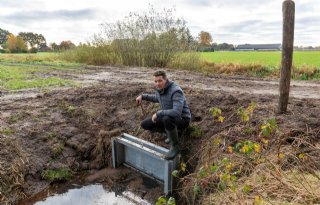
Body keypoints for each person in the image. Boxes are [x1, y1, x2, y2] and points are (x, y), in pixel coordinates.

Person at [136, 70, 191, 159]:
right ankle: (171, 134)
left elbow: (176, 112)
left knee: (166, 118)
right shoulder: (160, 89)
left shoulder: (176, 91)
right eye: (156, 81)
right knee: (145, 124)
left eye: (160, 81)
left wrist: (158, 113)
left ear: (166, 80)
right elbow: (157, 98)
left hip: (182, 119)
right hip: (168, 117)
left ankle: (175, 146)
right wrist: (143, 96)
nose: (157, 83)